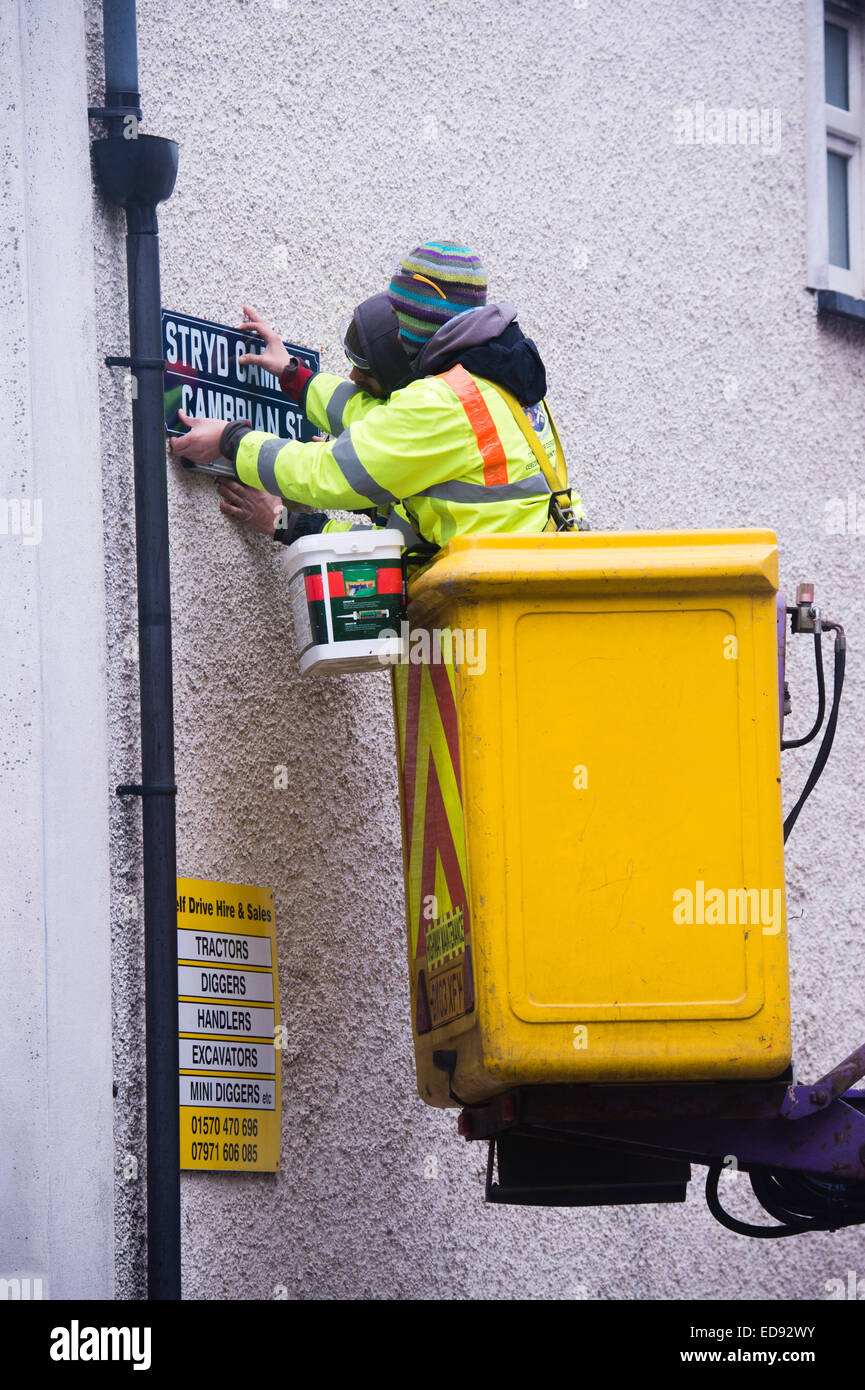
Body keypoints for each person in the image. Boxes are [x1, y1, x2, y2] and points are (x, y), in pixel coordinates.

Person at [169, 241, 588, 547]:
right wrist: (297, 379)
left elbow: (331, 473)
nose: (399, 334)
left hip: (490, 613)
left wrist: (230, 440)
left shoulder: (443, 403)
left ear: (424, 322)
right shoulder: (497, 381)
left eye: (402, 319)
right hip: (525, 585)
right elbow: (379, 419)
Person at [215, 291, 413, 544]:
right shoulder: (429, 412)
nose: (352, 376)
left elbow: (392, 549)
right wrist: (292, 373)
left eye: (366, 371)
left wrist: (280, 522)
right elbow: (363, 414)